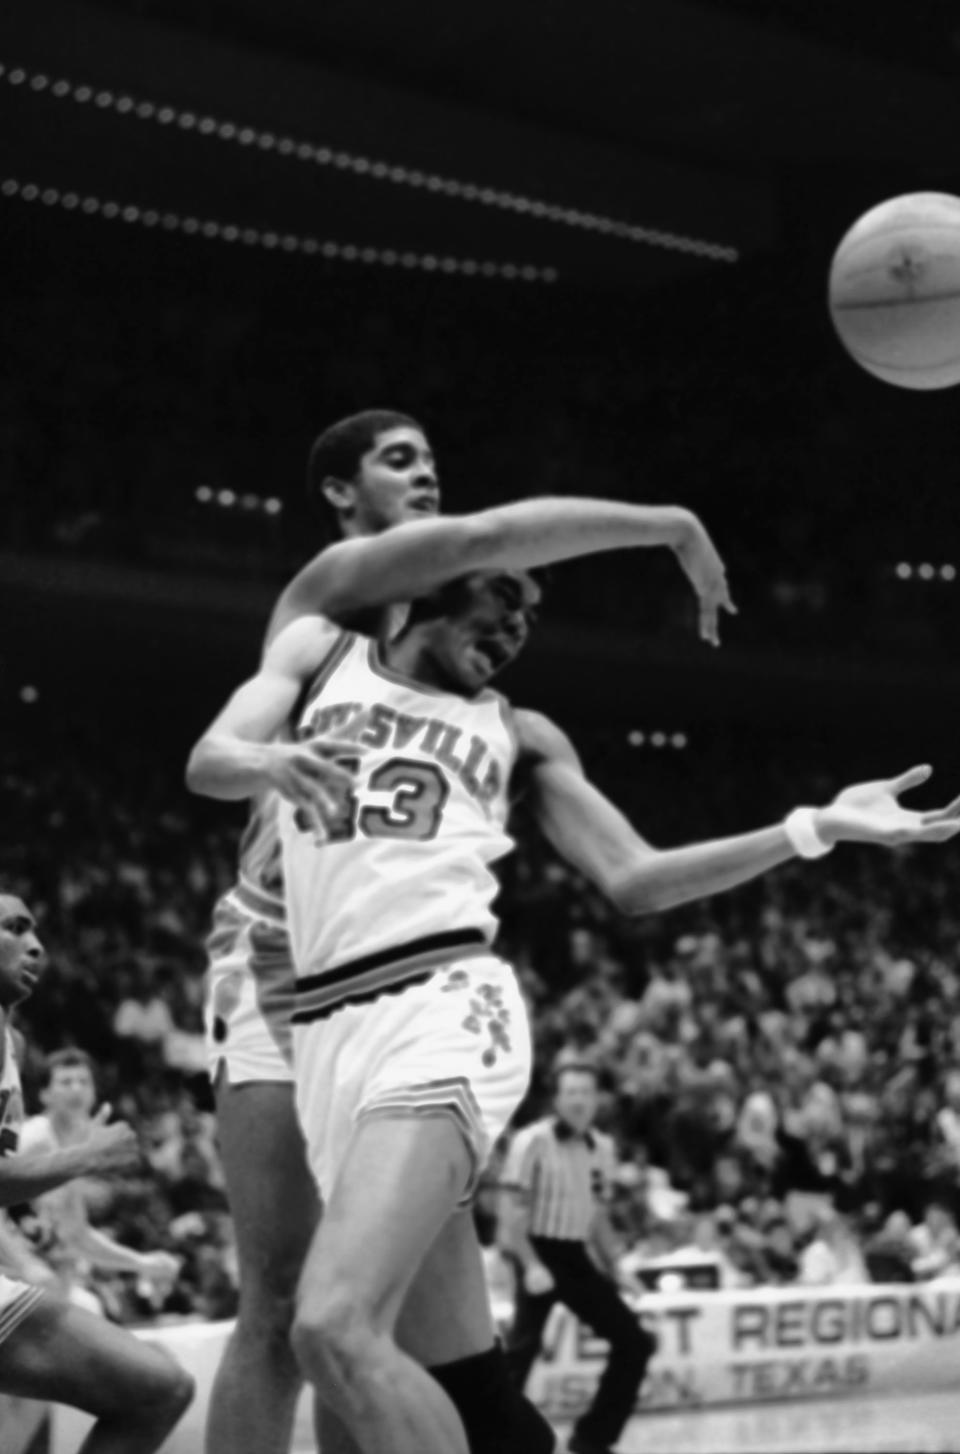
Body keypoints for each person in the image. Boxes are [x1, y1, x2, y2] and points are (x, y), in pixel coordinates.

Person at [189, 538, 960, 1454]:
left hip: (442, 1005)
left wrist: (811, 828)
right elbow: (212, 760)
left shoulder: (518, 731)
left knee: (333, 1326)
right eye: (503, 596)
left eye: (531, 617)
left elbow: (636, 876)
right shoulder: (322, 656)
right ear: (435, 585)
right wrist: (266, 766)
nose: (517, 625)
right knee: (394, 1364)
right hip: (319, 1028)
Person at [195, 407, 735, 1454]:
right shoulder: (322, 617)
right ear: (341, 495)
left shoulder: (495, 706)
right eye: (400, 460)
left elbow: (633, 873)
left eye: (437, 459)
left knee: (360, 1322)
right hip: (273, 964)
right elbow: (490, 539)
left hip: (403, 988)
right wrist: (667, 521)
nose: (429, 476)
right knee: (281, 1305)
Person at [0, 892, 194, 1452]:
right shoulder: (43, 1136)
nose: (36, 945)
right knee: (159, 1388)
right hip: (24, 1280)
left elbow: (77, 1234)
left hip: (33, 1283)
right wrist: (90, 1157)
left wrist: (139, 1260)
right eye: (14, 928)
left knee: (157, 1387)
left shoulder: (11, 1043)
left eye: (36, 931)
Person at [500, 1060, 657, 1454]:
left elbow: (597, 1216)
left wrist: (617, 1266)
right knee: (521, 1351)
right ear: (556, 1098)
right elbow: (511, 1212)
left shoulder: (603, 1148)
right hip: (536, 1249)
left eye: (586, 1092)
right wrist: (530, 1264)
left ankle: (593, 1438)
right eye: (570, 1092)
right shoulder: (530, 1141)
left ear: (597, 1098)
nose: (578, 1100)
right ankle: (491, 1441)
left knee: (634, 1342)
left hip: (575, 1255)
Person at [11, 1049, 180, 1313]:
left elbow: (77, 1235)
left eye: (83, 1081)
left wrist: (142, 1262)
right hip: (15, 1280)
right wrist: (25, 1265)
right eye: (66, 1082)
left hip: (49, 1282)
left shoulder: (74, 1147)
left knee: (91, 1309)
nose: (76, 1089)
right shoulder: (33, 1140)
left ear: (94, 1093)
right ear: (45, 1095)